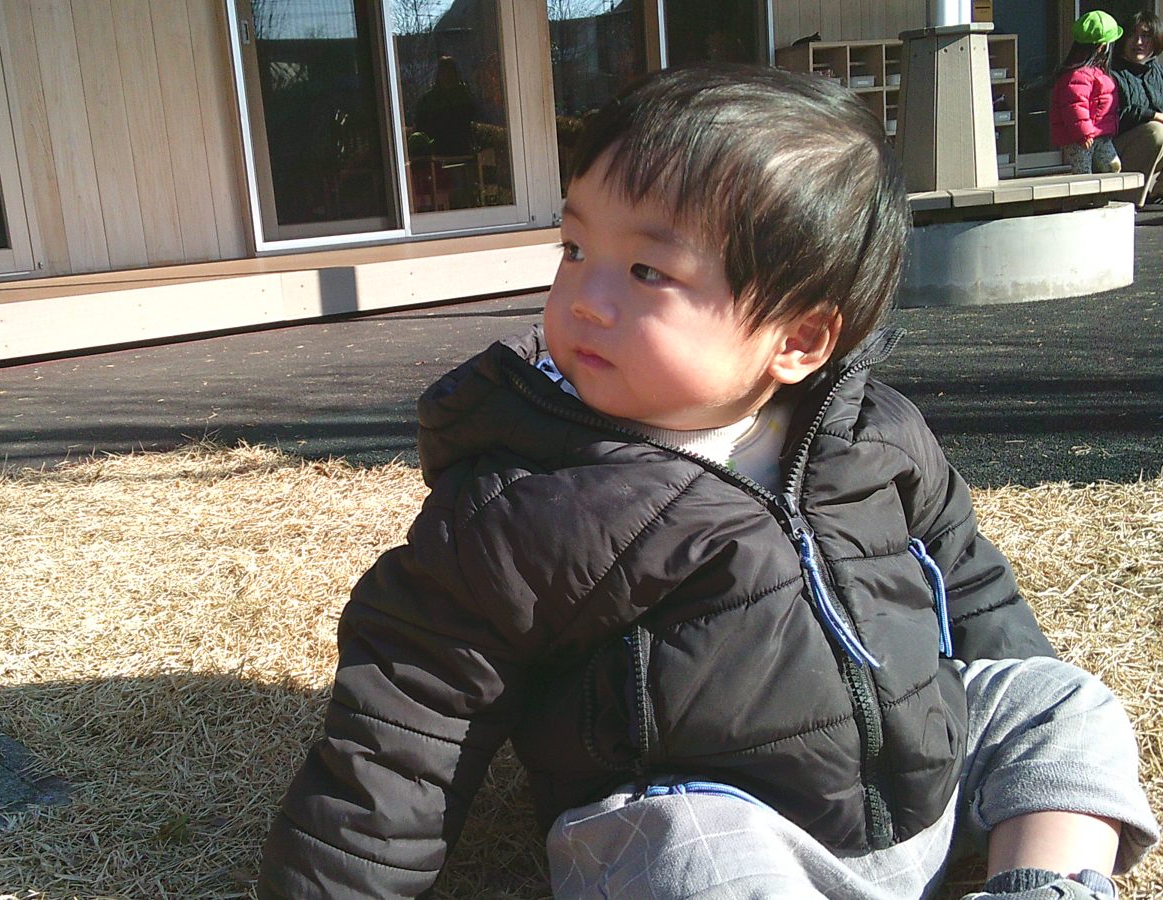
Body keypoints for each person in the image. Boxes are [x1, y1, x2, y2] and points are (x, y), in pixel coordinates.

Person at [257, 66, 1157, 899]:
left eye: (647, 270)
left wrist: (1001, 692)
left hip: (928, 792)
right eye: (574, 248)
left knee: (1057, 699)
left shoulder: (873, 435)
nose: (585, 298)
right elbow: (408, 721)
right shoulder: (526, 499)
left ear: (800, 340)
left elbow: (968, 581)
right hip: (726, 826)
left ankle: (1041, 882)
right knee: (682, 845)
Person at [1050, 11, 1123, 175]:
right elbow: (1074, 107)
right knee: (1083, 173)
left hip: (1099, 135)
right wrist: (1083, 134)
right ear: (1102, 46)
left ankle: (1103, 192)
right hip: (1079, 138)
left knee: (1112, 166)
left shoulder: (1095, 72)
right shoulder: (1078, 75)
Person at [1111, 11, 1163, 206]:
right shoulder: (1111, 70)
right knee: (1156, 131)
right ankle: (1129, 201)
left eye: (1146, 36)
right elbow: (1115, 116)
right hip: (1114, 150)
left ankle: (1158, 192)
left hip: (1147, 146)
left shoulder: (1155, 70)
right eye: (1132, 35)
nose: (1138, 42)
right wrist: (1153, 115)